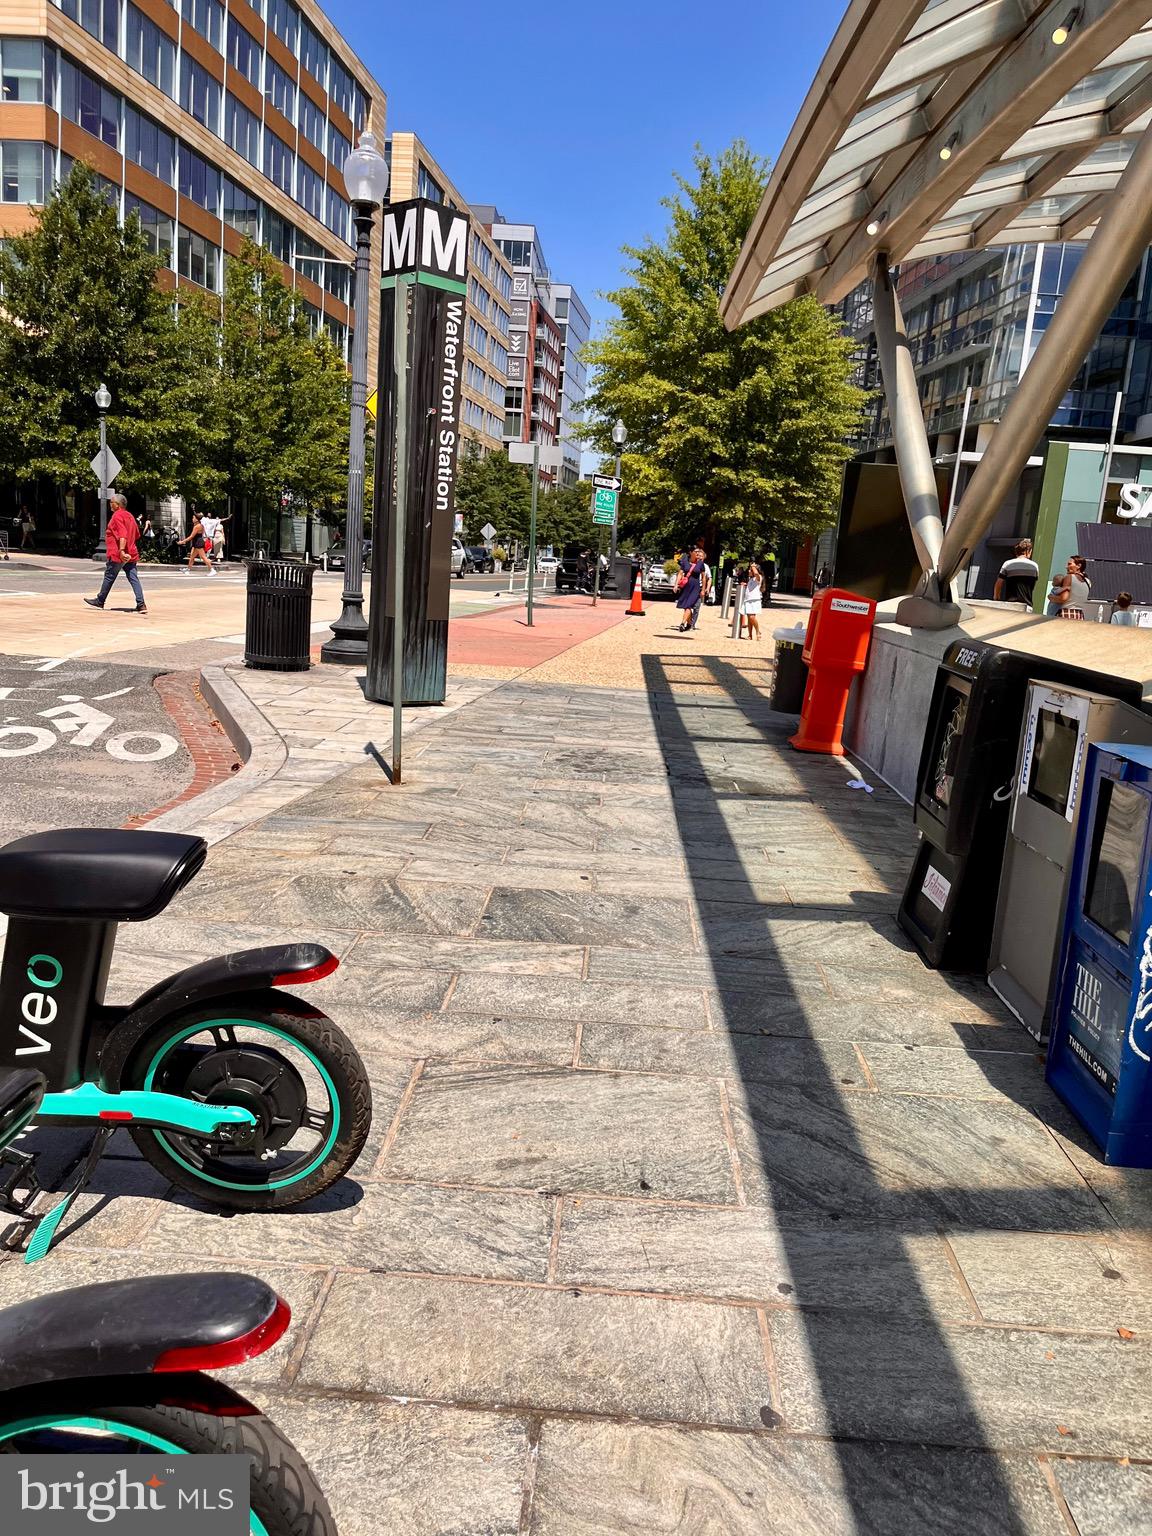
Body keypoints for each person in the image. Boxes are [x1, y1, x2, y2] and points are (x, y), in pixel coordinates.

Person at [84, 493, 147, 614]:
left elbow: (122, 534)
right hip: (131, 553)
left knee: (109, 576)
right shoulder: (130, 516)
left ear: (117, 505)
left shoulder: (117, 516)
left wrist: (122, 551)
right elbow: (137, 535)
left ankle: (100, 600)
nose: (110, 504)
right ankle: (141, 604)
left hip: (119, 554)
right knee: (133, 578)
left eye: (111, 502)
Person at [994, 538, 1039, 604]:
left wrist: (996, 598)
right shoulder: (1035, 566)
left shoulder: (1008, 564)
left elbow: (999, 583)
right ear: (1028, 551)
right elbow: (1033, 585)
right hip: (1026, 605)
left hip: (1010, 604)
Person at [1047, 555, 1090, 619]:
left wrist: (1050, 597)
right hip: (1079, 615)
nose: (1066, 567)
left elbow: (1063, 599)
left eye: (1069, 564)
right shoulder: (1088, 581)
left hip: (1066, 614)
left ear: (1078, 566)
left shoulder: (1069, 577)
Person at [179, 505, 216, 574]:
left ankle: (212, 570)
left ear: (196, 519)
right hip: (197, 542)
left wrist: (183, 541)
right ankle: (188, 569)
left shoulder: (197, 526)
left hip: (198, 543)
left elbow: (191, 536)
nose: (192, 519)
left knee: (203, 557)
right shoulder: (200, 525)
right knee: (192, 556)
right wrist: (193, 510)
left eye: (193, 518)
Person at [675, 547, 705, 632]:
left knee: (688, 605)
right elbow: (680, 573)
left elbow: (703, 578)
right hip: (686, 587)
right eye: (696, 552)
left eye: (699, 552)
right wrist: (676, 585)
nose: (698, 554)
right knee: (685, 606)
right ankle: (689, 624)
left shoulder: (700, 563)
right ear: (691, 552)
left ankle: (682, 623)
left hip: (695, 588)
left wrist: (703, 589)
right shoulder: (685, 562)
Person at [741, 561, 764, 640]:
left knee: (751, 617)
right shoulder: (751, 579)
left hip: (754, 600)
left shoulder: (759, 577)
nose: (749, 571)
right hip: (748, 600)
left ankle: (758, 631)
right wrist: (745, 584)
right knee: (749, 618)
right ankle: (750, 635)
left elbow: (756, 574)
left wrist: (753, 566)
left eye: (750, 570)